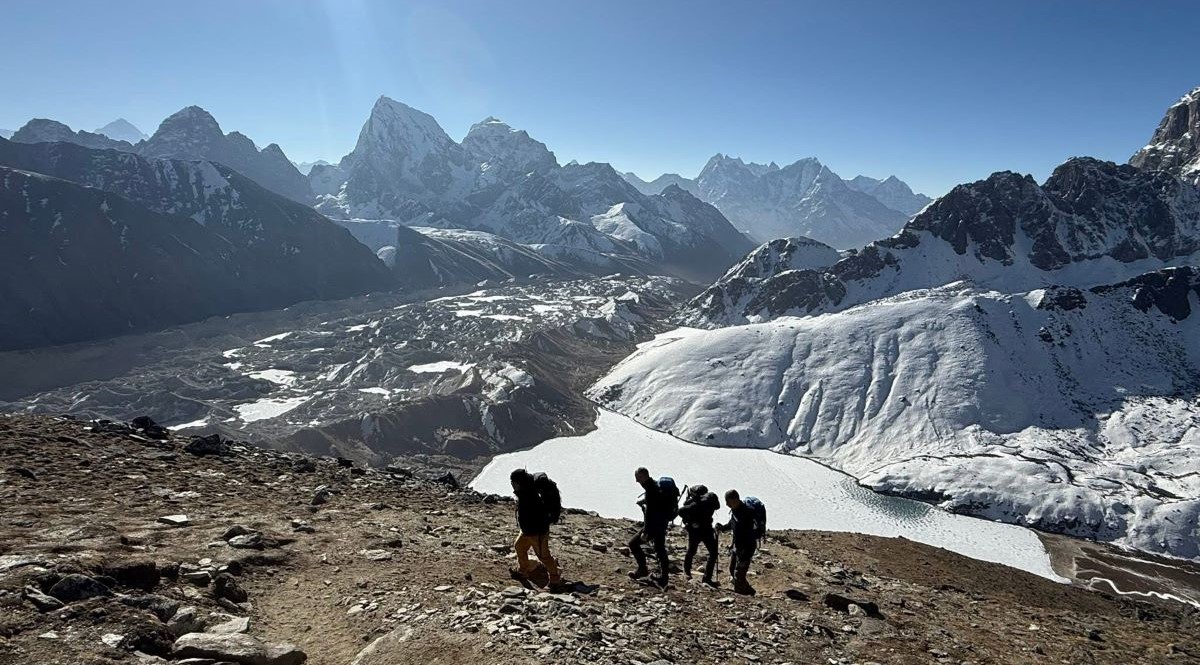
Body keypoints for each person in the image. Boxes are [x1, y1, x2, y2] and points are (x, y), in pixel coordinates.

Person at [509, 469, 565, 592]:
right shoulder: (527, 491)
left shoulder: (529, 495)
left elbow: (534, 514)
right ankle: (523, 571)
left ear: (517, 482)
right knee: (519, 547)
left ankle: (555, 579)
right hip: (528, 530)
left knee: (544, 556)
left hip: (536, 532)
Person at [627, 467, 676, 587]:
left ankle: (643, 570)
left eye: (638, 478)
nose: (637, 481)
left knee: (633, 543)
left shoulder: (650, 490)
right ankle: (663, 578)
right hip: (661, 523)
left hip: (654, 525)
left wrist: (646, 531)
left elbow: (650, 513)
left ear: (643, 476)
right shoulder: (655, 487)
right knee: (660, 549)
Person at [716, 489, 760, 595]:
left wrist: (744, 548)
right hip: (738, 546)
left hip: (746, 547)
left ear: (734, 500)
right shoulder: (735, 510)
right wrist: (722, 527)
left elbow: (750, 532)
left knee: (739, 574)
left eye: (728, 501)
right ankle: (749, 591)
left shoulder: (747, 512)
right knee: (732, 569)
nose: (726, 504)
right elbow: (732, 523)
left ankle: (742, 594)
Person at [678, 484, 720, 586]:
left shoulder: (696, 503)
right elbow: (681, 512)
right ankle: (704, 578)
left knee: (693, 551)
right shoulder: (697, 504)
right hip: (703, 530)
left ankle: (689, 573)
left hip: (698, 530)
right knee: (709, 552)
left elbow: (681, 511)